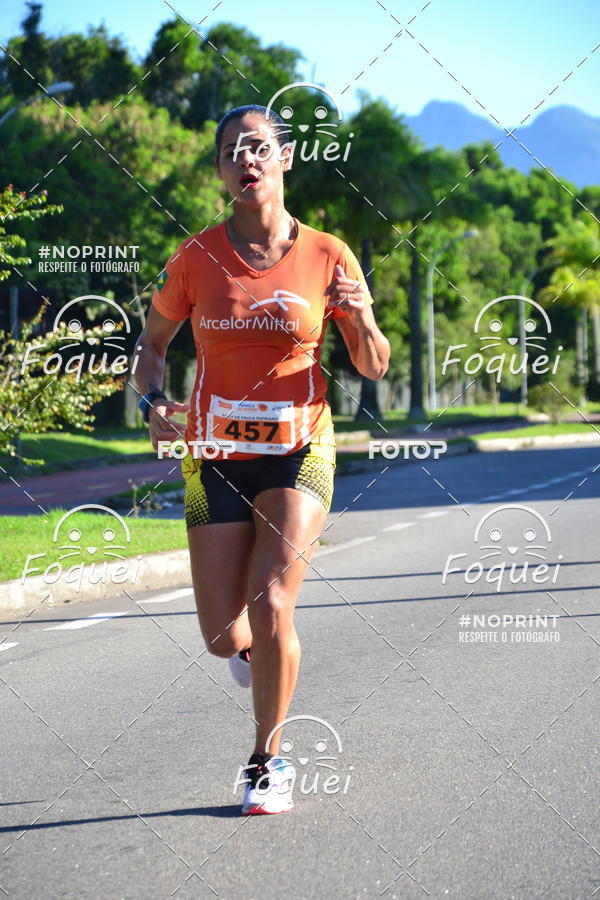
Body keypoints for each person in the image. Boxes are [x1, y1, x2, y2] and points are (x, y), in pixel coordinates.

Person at [134, 104, 390, 815]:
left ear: (283, 160)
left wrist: (361, 314)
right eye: (229, 152)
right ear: (220, 170)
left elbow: (372, 365)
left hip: (299, 446)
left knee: (273, 600)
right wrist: (153, 402)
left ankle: (266, 761)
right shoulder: (195, 257)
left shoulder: (330, 253)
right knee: (223, 634)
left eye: (258, 148)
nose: (244, 160)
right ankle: (251, 658)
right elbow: (153, 345)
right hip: (213, 454)